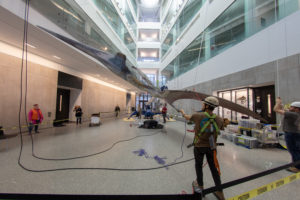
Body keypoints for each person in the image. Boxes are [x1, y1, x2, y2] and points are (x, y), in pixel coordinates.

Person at [179, 96, 225, 200]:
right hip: (212, 148)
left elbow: (187, 117)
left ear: (207, 105)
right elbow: (221, 127)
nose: (202, 105)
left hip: (199, 146)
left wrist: (182, 112)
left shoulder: (197, 116)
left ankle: (200, 187)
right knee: (214, 169)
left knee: (199, 166)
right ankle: (220, 192)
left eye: (204, 103)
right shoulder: (219, 119)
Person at [273, 97, 300, 173]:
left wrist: (277, 102)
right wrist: (280, 104)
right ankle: (295, 164)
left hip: (292, 134)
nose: (289, 107)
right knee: (296, 150)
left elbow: (276, 109)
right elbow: (282, 109)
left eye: (292, 107)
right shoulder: (295, 113)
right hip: (295, 133)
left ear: (297, 109)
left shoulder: (293, 114)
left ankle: (297, 167)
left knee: (293, 150)